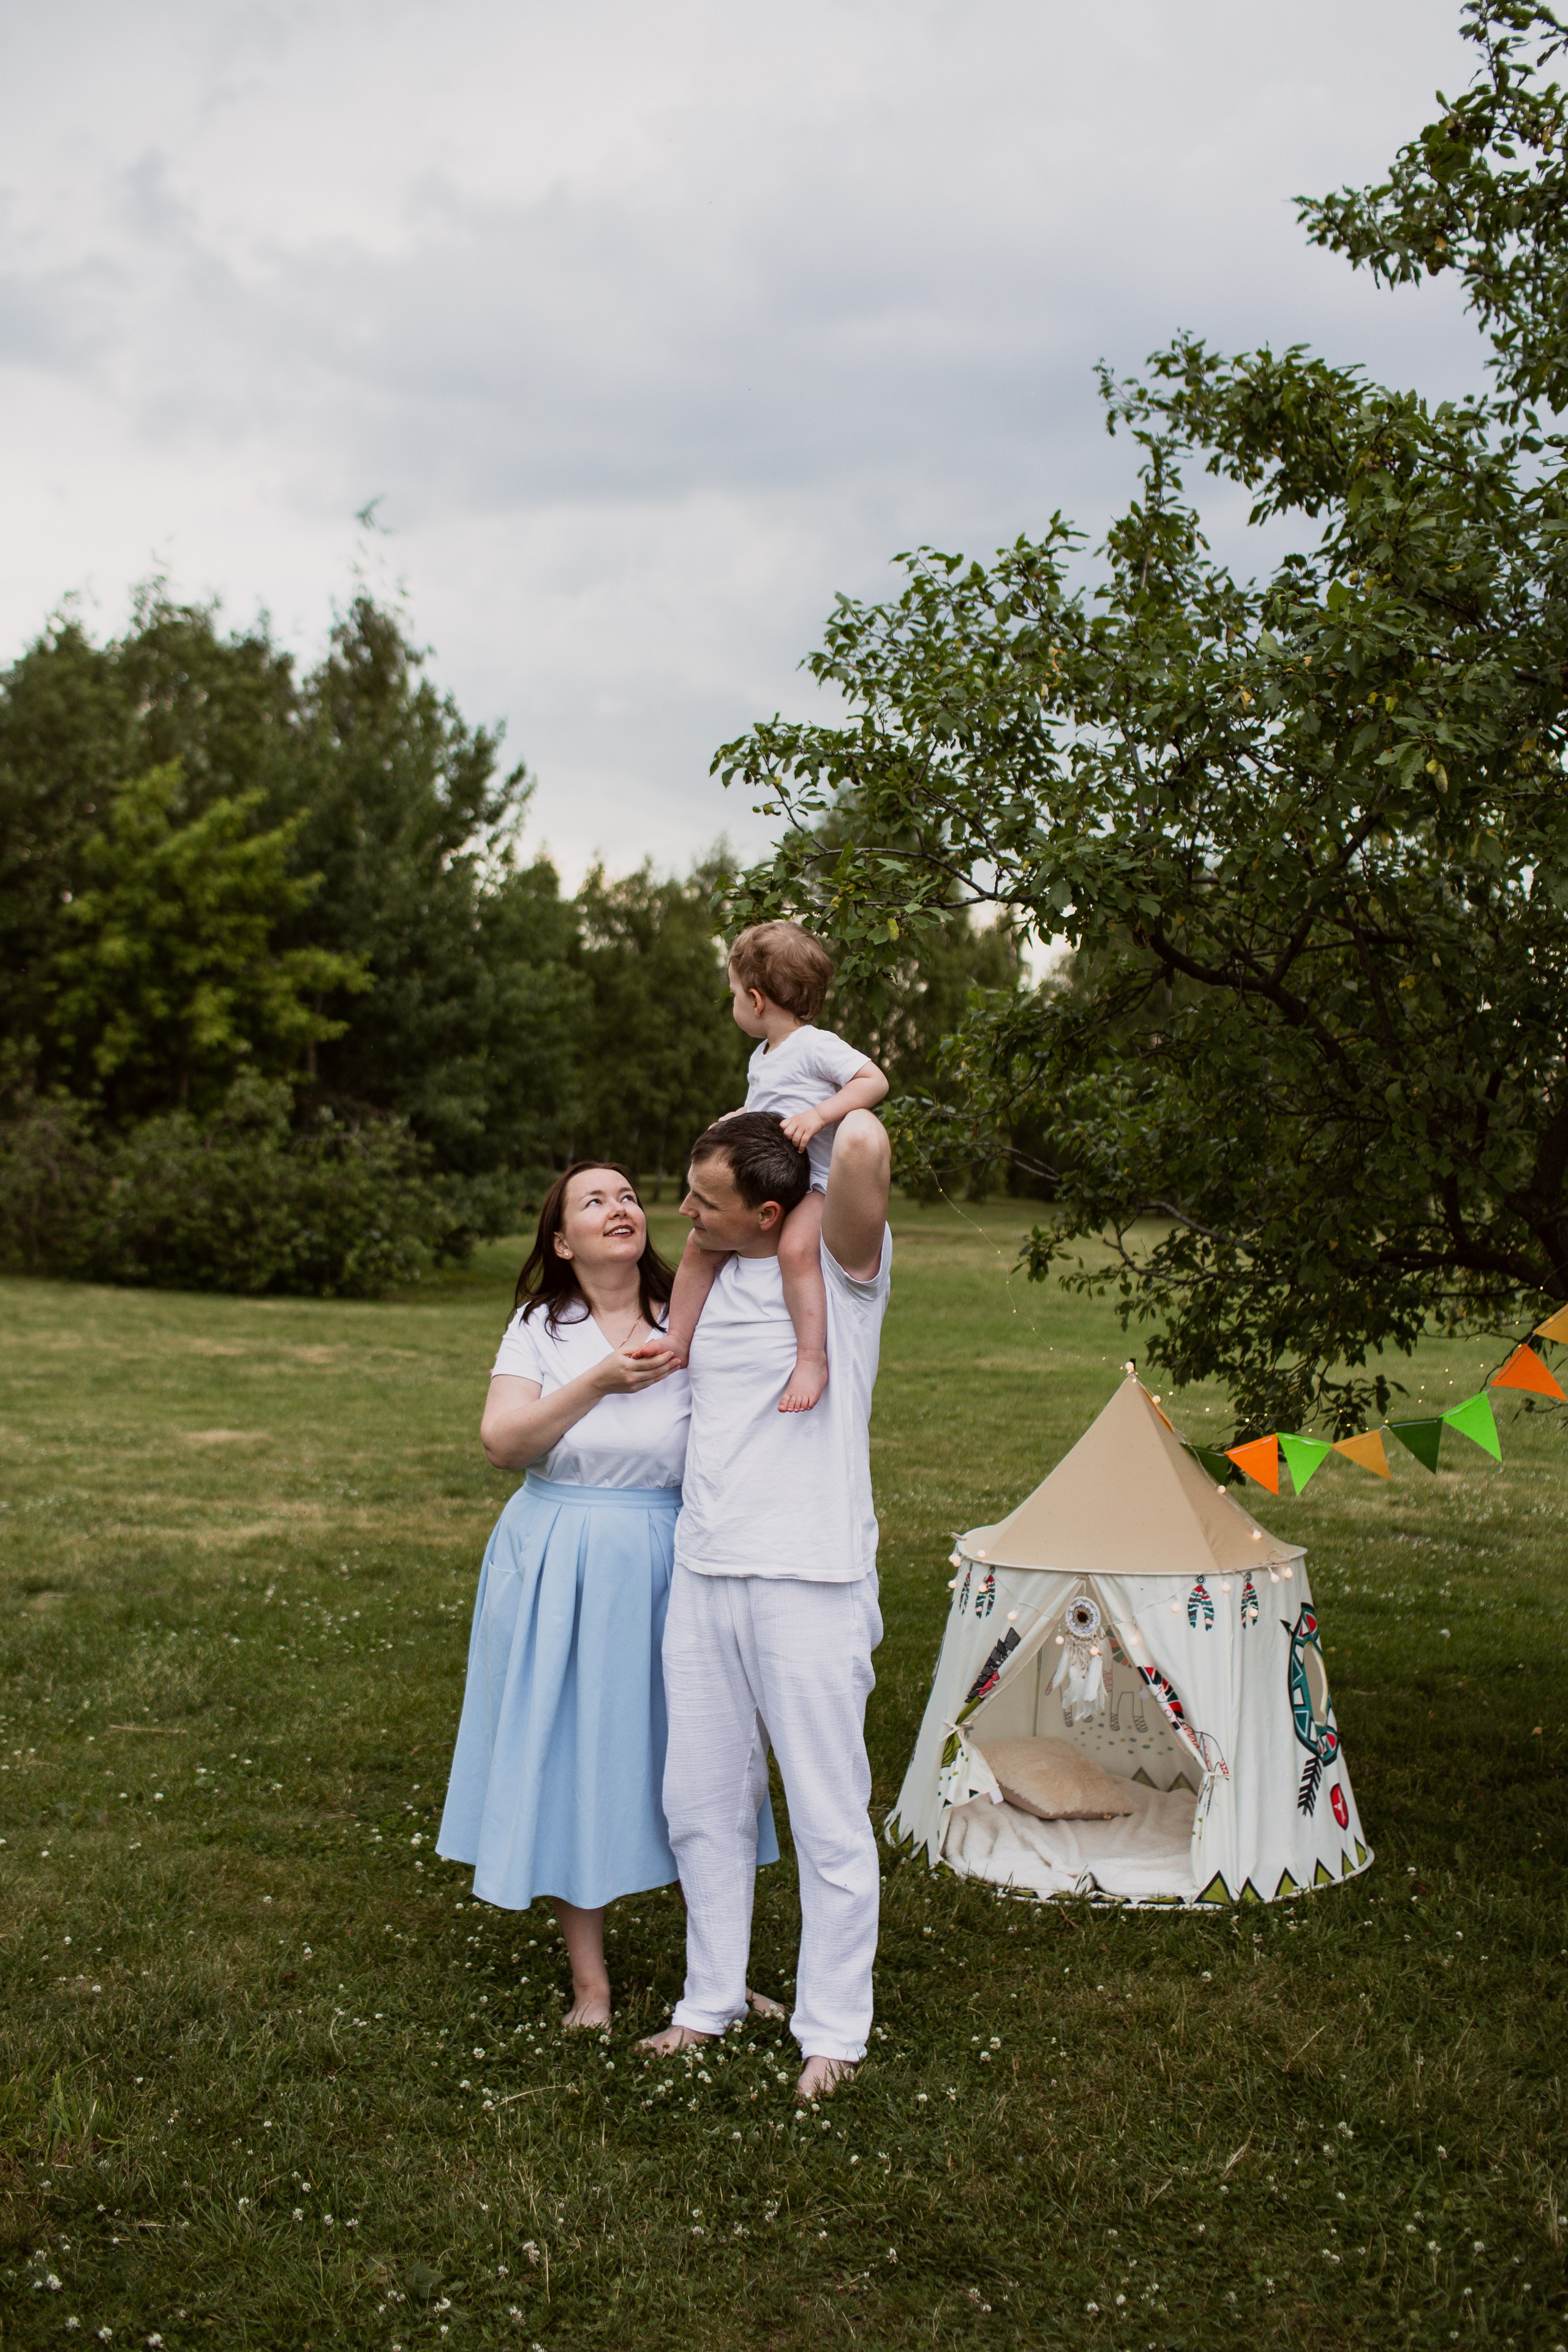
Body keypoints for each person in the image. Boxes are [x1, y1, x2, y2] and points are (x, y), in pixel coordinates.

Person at [436, 1161, 778, 2029]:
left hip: (677, 1554)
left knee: (699, 1759)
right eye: (594, 1202)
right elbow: (502, 1444)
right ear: (563, 1241)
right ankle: (592, 1983)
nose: (618, 1208)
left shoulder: (695, 1309)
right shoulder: (541, 1330)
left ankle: (721, 1976)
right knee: (573, 1754)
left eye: (627, 1195)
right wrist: (598, 1381)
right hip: (562, 1558)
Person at [637, 1106, 893, 2101]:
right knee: (701, 1802)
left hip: (812, 1579)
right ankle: (708, 1999)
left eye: (707, 1200)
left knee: (829, 1815)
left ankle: (834, 2027)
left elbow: (865, 1144)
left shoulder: (837, 1269)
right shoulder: (712, 1271)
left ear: (772, 1209)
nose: (687, 1213)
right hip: (705, 1568)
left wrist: (819, 1091)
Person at [662, 921, 887, 1413]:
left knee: (794, 1249)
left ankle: (811, 1358)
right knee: (700, 1245)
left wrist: (821, 1115)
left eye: (735, 995)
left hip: (819, 1187)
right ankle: (677, 1337)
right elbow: (767, 1108)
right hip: (774, 1181)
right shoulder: (763, 1057)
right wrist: (738, 1117)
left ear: (757, 1000)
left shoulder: (815, 1045)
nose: (735, 1005)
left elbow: (873, 1081)